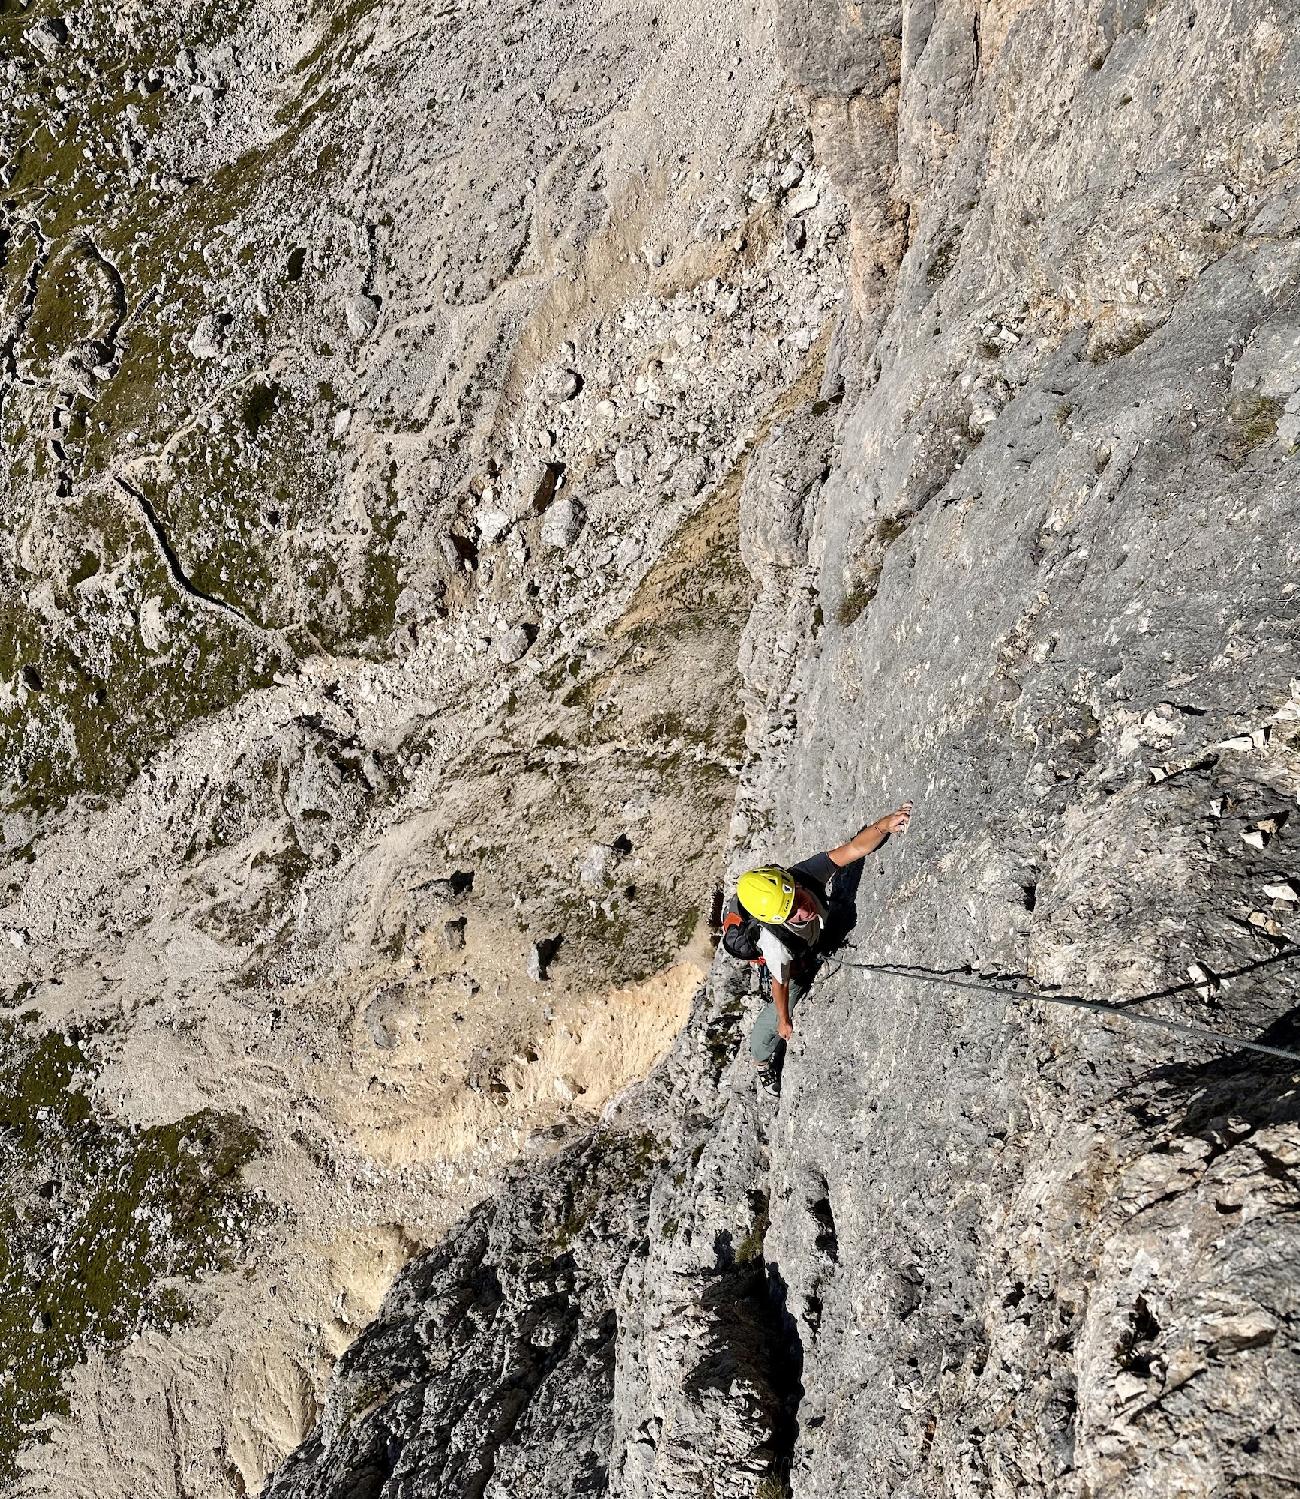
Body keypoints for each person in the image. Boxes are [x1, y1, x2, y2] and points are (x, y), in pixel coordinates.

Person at [736, 803, 913, 1096]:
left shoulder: (803, 875)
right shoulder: (775, 942)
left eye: (797, 899)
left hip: (811, 942)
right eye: (790, 913)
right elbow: (780, 984)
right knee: (786, 1001)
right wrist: (784, 1019)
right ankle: (761, 1060)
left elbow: (853, 850)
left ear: (791, 883)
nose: (802, 910)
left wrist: (884, 825)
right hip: (792, 967)